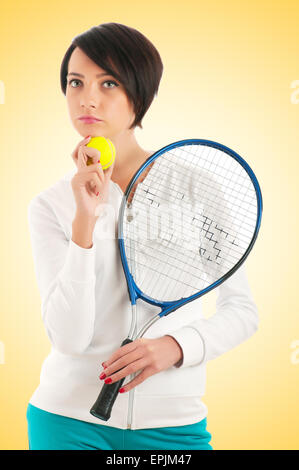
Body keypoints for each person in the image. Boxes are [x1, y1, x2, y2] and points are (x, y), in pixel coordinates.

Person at [26, 22, 259, 451]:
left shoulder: (195, 188)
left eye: (108, 82)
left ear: (141, 93)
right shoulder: (51, 205)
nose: (87, 98)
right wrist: (85, 219)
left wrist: (176, 346)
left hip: (175, 427)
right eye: (75, 82)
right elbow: (69, 339)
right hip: (66, 421)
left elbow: (243, 310)